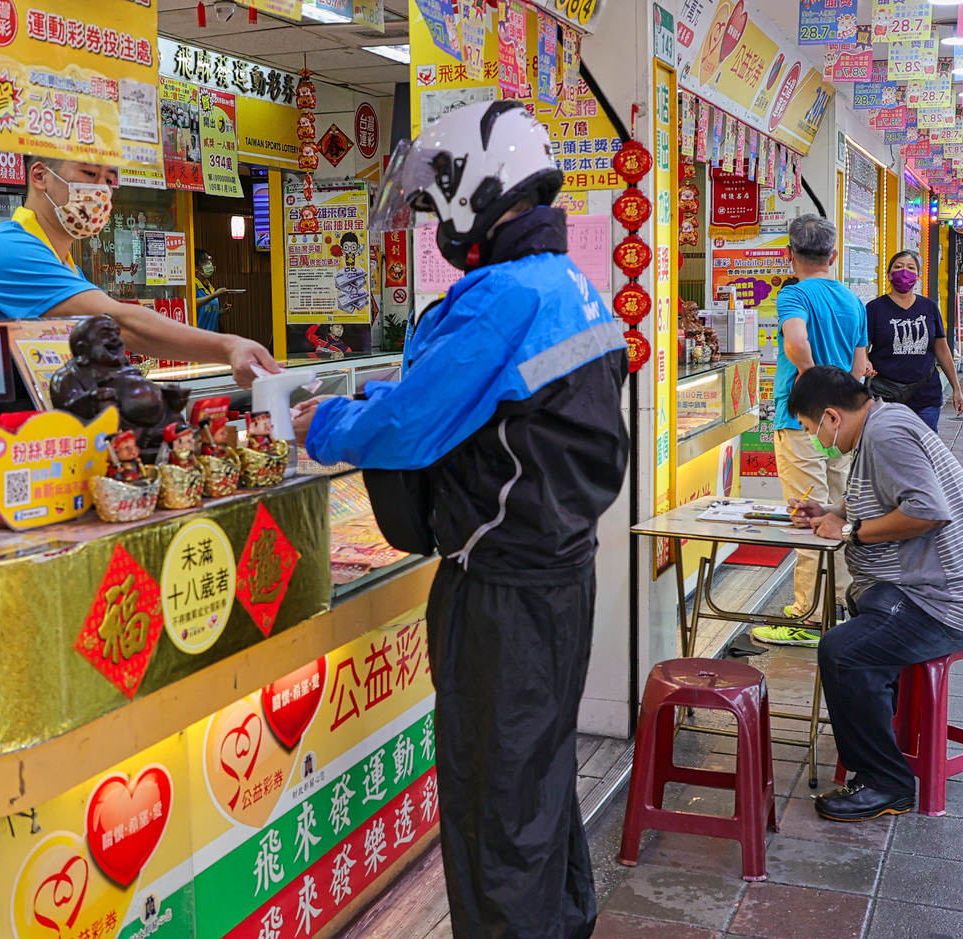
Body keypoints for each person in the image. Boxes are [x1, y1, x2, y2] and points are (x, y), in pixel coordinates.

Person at [293, 100, 628, 939]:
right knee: (537, 780)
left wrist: (322, 425)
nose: (432, 215)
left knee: (491, 800)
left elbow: (407, 428)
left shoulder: (499, 298)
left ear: (478, 187)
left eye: (436, 192)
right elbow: (476, 408)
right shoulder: (572, 286)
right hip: (560, 578)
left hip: (501, 598)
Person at [0, 157, 277, 527]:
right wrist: (227, 346)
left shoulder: (67, 269)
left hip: (4, 492)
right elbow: (120, 323)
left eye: (109, 179)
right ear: (40, 176)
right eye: (88, 174)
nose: (100, 190)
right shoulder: (1, 248)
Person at [785, 367, 963, 822]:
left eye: (811, 430)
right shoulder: (881, 425)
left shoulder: (885, 434)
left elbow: (927, 512)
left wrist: (849, 530)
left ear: (832, 417)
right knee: (860, 622)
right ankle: (879, 732)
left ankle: (886, 783)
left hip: (952, 601)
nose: (816, 440)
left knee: (842, 650)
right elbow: (884, 496)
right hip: (929, 591)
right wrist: (831, 511)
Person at [752, 214, 869, 645]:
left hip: (800, 422)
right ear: (833, 255)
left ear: (791, 255)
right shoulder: (853, 300)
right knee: (838, 511)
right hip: (842, 428)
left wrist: (810, 379)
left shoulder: (794, 294)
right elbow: (858, 368)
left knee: (807, 516)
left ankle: (807, 615)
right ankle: (840, 607)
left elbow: (796, 342)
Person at [865, 250, 963, 431]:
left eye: (911, 268)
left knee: (924, 450)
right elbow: (864, 348)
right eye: (898, 267)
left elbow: (942, 349)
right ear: (888, 275)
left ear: (918, 276)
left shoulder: (929, 307)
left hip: (925, 394)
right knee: (889, 447)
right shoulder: (874, 308)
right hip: (886, 395)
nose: (904, 272)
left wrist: (956, 388)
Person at [194, 249, 234, 332]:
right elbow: (192, 304)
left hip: (211, 335)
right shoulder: (193, 285)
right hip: (197, 337)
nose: (210, 264)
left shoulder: (209, 285)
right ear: (196, 268)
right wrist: (215, 295)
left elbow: (204, 313)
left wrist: (220, 312)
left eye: (209, 260)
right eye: (205, 261)